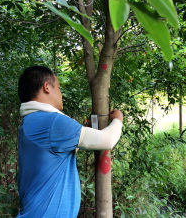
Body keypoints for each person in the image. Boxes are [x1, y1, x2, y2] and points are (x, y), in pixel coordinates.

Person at [17, 66, 123, 218]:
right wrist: (118, 120)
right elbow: (108, 140)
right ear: (47, 87)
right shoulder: (52, 122)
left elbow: (55, 153)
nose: (61, 94)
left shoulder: (30, 123)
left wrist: (82, 131)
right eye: (59, 88)